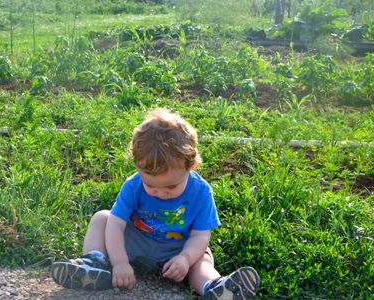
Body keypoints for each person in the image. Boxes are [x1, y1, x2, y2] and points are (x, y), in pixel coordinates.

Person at [51, 108, 260, 299]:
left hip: (177, 249)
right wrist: (121, 262)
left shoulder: (201, 192)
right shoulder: (133, 185)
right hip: (136, 241)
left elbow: (200, 235)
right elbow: (116, 224)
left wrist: (186, 259)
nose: (161, 193)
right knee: (102, 219)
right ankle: (94, 264)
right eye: (151, 185)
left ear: (192, 166)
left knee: (201, 260)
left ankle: (214, 286)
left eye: (171, 187)